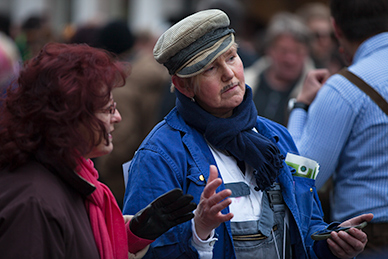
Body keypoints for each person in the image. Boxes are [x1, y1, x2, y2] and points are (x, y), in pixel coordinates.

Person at [122, 9, 372, 259]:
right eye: (210, 68)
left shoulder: (277, 137)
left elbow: (308, 229)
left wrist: (332, 243)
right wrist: (199, 232)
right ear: (183, 86)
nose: (228, 74)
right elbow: (144, 253)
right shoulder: (158, 155)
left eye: (231, 57)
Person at [0, 42, 197, 259]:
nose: (117, 118)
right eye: (107, 109)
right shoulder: (34, 203)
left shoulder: (74, 178)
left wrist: (133, 235)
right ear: (69, 119)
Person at [287, 0, 388, 258]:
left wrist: (300, 105)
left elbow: (300, 176)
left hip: (368, 244)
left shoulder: (344, 89)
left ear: (336, 28)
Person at [93, 20, 171, 207]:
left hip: (123, 180)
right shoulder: (157, 71)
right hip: (158, 168)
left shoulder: (122, 84)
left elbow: (122, 136)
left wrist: (102, 169)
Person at [244, 12, 315, 126]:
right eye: (283, 51)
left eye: (297, 51)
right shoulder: (245, 82)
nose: (290, 59)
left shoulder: (315, 93)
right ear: (269, 49)